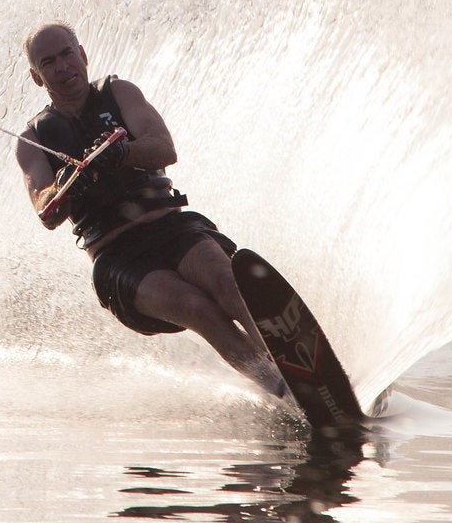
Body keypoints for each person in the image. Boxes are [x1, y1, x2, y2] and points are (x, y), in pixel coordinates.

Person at [16, 21, 290, 403]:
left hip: (172, 229)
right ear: (36, 76)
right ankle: (279, 389)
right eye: (48, 62)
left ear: (82, 54)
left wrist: (122, 152)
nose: (62, 67)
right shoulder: (33, 141)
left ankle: (296, 368)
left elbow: (164, 148)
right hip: (120, 261)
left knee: (226, 281)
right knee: (198, 308)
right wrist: (65, 185)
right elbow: (45, 210)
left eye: (66, 54)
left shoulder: (119, 93)